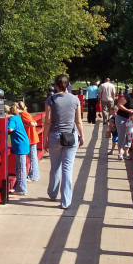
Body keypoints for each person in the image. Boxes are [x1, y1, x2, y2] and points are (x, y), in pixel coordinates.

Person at [43, 74, 84, 210]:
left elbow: (48, 121)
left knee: (55, 166)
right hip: (71, 136)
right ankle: (65, 201)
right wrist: (82, 136)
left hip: (55, 135)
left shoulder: (51, 100)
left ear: (55, 85)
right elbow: (78, 121)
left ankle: (53, 193)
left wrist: (44, 140)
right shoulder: (75, 99)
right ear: (68, 84)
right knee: (67, 168)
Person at [5, 104, 30, 195]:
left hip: (20, 145)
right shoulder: (17, 117)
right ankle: (18, 186)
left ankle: (22, 189)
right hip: (23, 144)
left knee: (20, 168)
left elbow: (10, 129)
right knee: (20, 167)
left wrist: (3, 131)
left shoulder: (12, 119)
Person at [114, 85, 133, 160]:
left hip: (130, 120)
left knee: (129, 136)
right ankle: (120, 152)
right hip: (121, 118)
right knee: (122, 135)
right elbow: (119, 105)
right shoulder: (128, 97)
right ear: (132, 91)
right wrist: (128, 110)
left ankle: (126, 153)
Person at [17, 101, 40, 182]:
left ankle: (33, 175)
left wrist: (23, 125)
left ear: (19, 108)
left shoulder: (24, 114)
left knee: (32, 157)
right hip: (32, 137)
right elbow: (35, 123)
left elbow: (33, 124)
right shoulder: (26, 113)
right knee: (33, 156)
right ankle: (35, 174)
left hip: (31, 138)